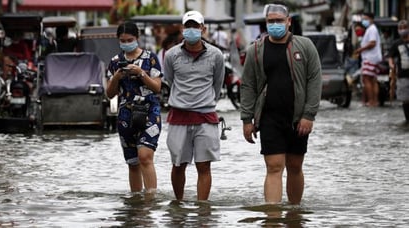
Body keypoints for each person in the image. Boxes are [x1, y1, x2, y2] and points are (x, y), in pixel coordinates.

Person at [240, 1, 322, 205]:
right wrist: (246, 119)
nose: (275, 24)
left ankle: (294, 215)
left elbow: (315, 80)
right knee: (274, 166)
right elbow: (248, 85)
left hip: (298, 117)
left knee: (295, 165)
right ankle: (272, 217)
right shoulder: (256, 50)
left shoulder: (305, 46)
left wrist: (308, 115)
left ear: (288, 22)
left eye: (279, 20)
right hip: (269, 117)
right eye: (270, 21)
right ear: (265, 23)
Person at [163, 10, 225, 201]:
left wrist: (203, 101)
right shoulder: (171, 55)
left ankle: (202, 209)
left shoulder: (216, 55)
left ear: (203, 29)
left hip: (206, 116)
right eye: (188, 26)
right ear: (183, 29)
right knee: (178, 164)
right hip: (178, 116)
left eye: (195, 26)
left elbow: (217, 84)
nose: (191, 30)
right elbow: (170, 81)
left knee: (204, 165)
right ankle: (178, 203)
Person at [105, 21, 163, 194]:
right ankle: (136, 202)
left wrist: (141, 73)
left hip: (149, 112)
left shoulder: (150, 58)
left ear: (137, 37)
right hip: (126, 115)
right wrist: (116, 77)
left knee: (145, 156)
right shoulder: (115, 62)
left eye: (130, 39)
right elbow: (110, 94)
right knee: (132, 162)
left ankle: (150, 197)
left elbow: (157, 87)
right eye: (122, 40)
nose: (126, 42)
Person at [354, 12, 383, 107]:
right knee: (373, 80)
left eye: (366, 18)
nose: (364, 21)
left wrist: (360, 49)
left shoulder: (372, 29)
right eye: (363, 19)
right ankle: (375, 101)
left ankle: (371, 101)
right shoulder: (370, 29)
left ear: (371, 19)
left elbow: (372, 43)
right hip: (373, 57)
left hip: (370, 58)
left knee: (367, 80)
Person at [387, 19, 409, 124]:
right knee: (405, 99)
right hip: (403, 74)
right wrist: (391, 64)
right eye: (400, 28)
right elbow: (390, 56)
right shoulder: (396, 43)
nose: (402, 30)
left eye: (404, 28)